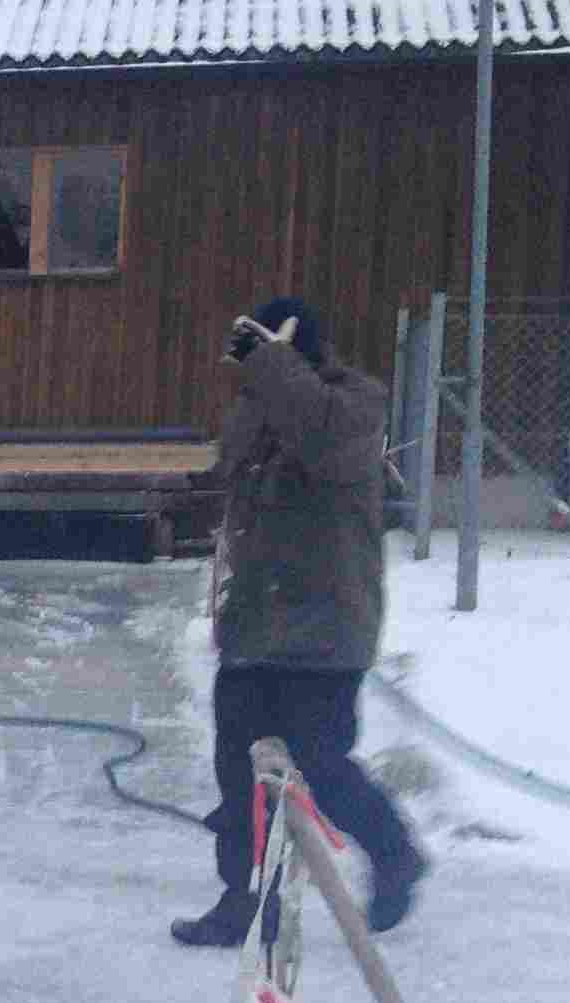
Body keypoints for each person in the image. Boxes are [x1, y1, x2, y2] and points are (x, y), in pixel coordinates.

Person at [173, 295, 428, 947]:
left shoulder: (355, 407)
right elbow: (233, 462)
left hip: (325, 629)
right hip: (255, 626)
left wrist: (275, 364)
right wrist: (261, 383)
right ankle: (243, 899)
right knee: (239, 778)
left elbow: (321, 443)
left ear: (291, 348)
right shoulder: (265, 404)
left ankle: (395, 854)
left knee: (321, 766)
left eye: (262, 349)